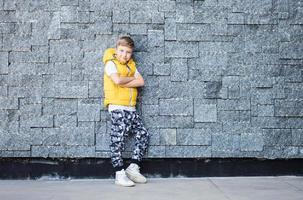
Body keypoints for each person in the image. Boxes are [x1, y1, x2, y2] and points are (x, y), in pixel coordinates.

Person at [102, 36, 150, 187]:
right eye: (122, 51)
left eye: (128, 52)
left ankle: (133, 168)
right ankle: (119, 173)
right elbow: (116, 81)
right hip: (117, 107)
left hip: (131, 108)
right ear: (116, 50)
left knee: (143, 134)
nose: (124, 55)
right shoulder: (111, 64)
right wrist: (130, 81)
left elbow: (141, 82)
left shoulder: (131, 66)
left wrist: (125, 80)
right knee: (118, 139)